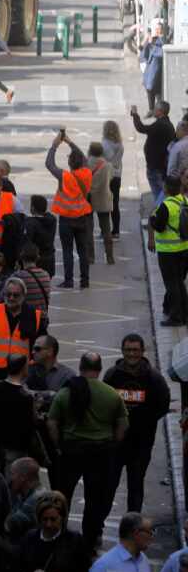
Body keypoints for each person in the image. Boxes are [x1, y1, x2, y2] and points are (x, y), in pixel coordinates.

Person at [45, 352, 127, 547]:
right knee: (95, 497)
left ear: (80, 368)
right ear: (99, 370)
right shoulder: (111, 394)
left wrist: (58, 445)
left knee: (63, 494)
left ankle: (58, 533)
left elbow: (52, 423)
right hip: (100, 451)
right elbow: (123, 425)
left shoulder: (66, 393)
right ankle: (90, 538)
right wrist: (113, 443)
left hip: (72, 450)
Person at [101, 333, 171, 514]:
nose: (131, 354)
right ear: (122, 351)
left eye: (135, 350)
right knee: (107, 487)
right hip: (116, 444)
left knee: (135, 486)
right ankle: (97, 528)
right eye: (128, 350)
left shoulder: (154, 379)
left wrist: (144, 422)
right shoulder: (112, 376)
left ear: (142, 351)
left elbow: (163, 405)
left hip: (141, 445)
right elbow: (103, 404)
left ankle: (133, 529)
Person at [45, 131, 93, 289]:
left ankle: (69, 280)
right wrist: (70, 142)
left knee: (67, 250)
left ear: (71, 163)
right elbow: (82, 157)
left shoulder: (65, 176)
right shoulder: (87, 172)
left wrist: (55, 145)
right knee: (82, 250)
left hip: (67, 218)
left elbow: (49, 165)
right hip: (83, 217)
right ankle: (85, 280)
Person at [150, 175, 188, 325]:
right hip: (184, 248)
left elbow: (159, 226)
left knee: (172, 284)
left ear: (166, 188)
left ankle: (176, 317)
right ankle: (184, 313)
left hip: (169, 251)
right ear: (179, 188)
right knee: (179, 282)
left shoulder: (166, 205)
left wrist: (153, 219)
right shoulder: (185, 201)